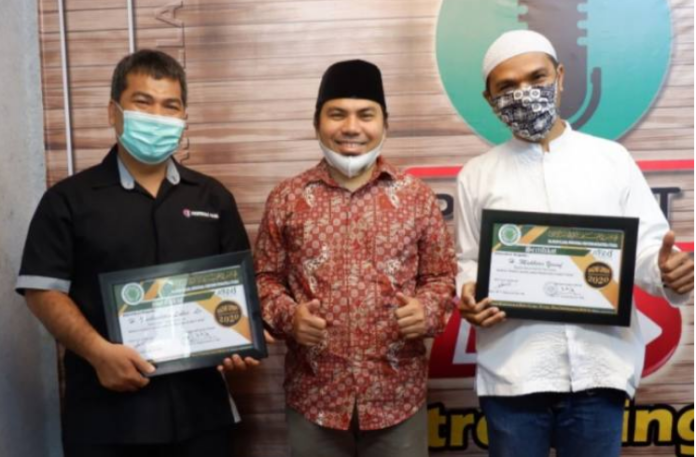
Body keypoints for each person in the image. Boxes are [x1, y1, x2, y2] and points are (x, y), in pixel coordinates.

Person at [455, 30, 694, 457]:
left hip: (599, 372)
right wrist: (469, 292)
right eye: (507, 86)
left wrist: (666, 271)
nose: (525, 93)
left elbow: (645, 250)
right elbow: (470, 260)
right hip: (513, 373)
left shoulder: (611, 160)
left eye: (537, 78)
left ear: (561, 77)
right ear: (489, 99)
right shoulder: (477, 174)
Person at [16, 49, 259, 457]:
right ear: (113, 112)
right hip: (106, 418)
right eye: (143, 103)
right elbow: (43, 291)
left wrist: (236, 342)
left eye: (170, 106)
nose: (158, 117)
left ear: (184, 118)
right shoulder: (68, 200)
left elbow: (237, 289)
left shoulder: (212, 197)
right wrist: (99, 353)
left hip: (201, 416)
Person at [254, 59, 456, 457]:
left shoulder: (416, 196)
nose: (351, 127)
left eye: (366, 115)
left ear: (385, 124)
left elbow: (441, 276)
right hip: (314, 397)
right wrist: (289, 316)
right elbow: (264, 278)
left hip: (397, 397)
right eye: (337, 114)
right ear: (316, 123)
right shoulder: (287, 198)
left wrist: (427, 309)